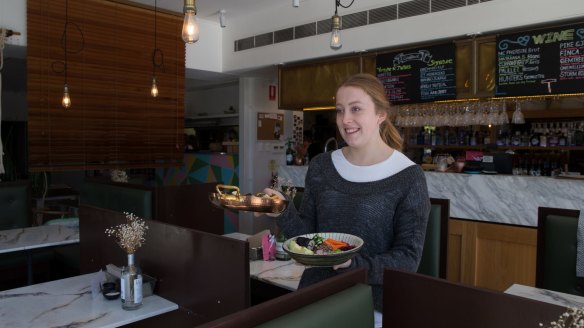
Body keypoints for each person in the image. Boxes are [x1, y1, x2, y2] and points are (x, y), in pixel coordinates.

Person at [264, 73, 430, 327]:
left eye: (356, 109)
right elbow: (309, 237)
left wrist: (353, 263)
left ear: (380, 114)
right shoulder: (321, 166)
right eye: (340, 111)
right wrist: (282, 210)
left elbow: (408, 258)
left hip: (371, 305)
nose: (346, 120)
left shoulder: (408, 177)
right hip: (317, 295)